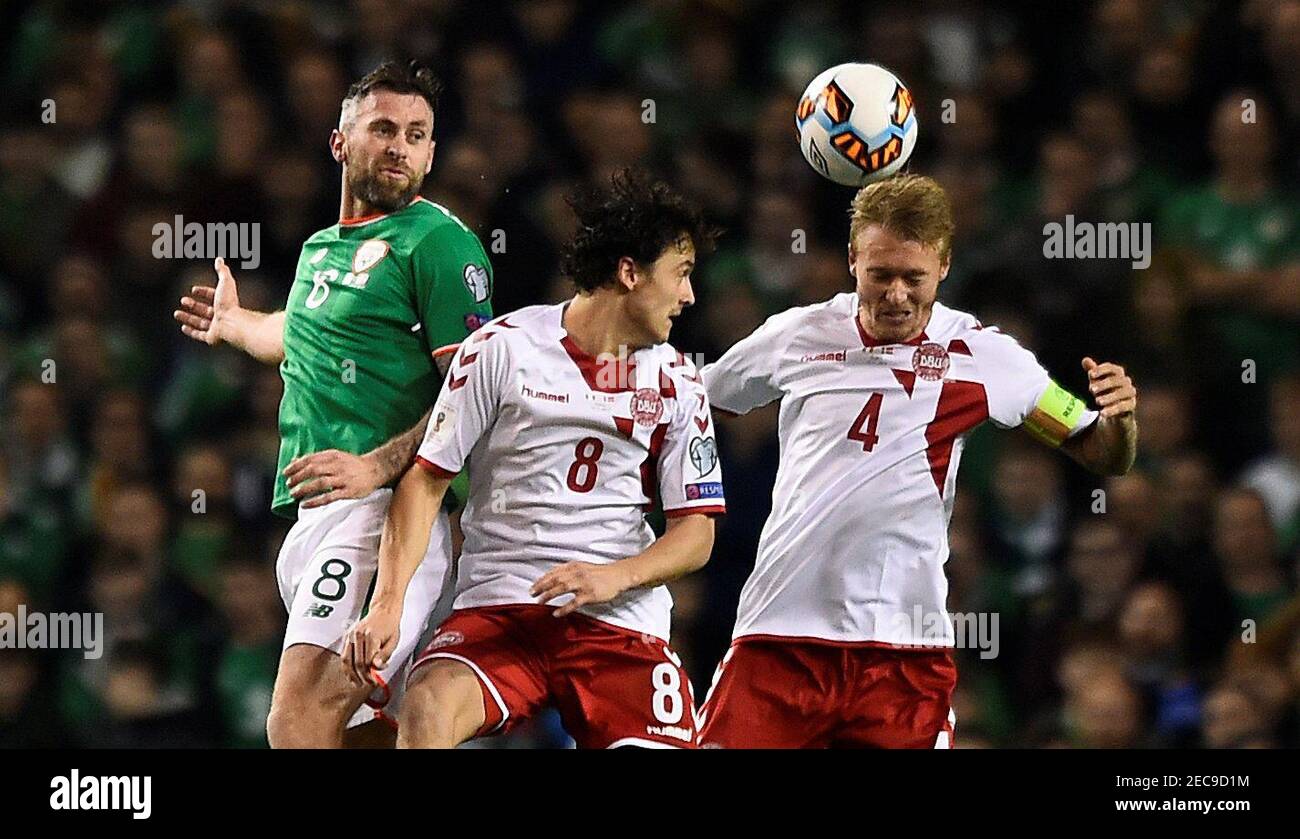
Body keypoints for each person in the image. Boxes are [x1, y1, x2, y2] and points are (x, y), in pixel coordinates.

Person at [696, 173, 1138, 748]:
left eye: (914, 277)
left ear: (945, 266)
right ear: (853, 259)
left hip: (904, 652)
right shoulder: (797, 334)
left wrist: (1120, 420)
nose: (897, 295)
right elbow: (696, 407)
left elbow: (1101, 452)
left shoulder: (986, 357)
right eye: (880, 275)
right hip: (780, 633)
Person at [172, 61, 493, 747]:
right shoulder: (322, 248)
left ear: (433, 154)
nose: (400, 147)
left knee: (297, 720)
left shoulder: (437, 243)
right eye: (383, 129)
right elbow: (297, 333)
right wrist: (233, 324)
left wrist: (378, 466)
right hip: (317, 524)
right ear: (340, 142)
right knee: (366, 732)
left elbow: (475, 388)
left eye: (417, 134)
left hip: (383, 521)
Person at [343, 170, 723, 749]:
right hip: (500, 610)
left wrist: (614, 577)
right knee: (427, 707)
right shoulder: (502, 349)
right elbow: (424, 482)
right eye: (682, 274)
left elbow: (696, 532)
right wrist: (388, 605)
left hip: (619, 623)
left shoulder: (678, 381)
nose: (689, 296)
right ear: (629, 273)